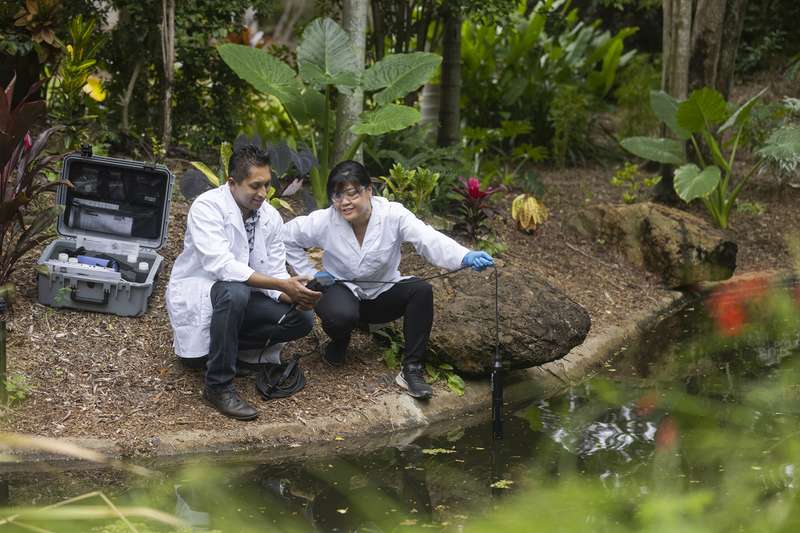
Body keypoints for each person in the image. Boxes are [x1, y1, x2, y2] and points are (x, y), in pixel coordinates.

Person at [281, 160, 494, 400]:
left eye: (352, 194)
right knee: (341, 316)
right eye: (337, 196)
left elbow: (427, 238)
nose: (344, 202)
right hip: (340, 291)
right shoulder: (324, 220)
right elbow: (286, 237)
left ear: (369, 191)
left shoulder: (393, 215)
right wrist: (310, 273)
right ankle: (340, 339)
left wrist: (465, 255)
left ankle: (411, 370)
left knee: (420, 290)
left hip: (381, 295)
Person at [166, 145, 321, 420]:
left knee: (303, 319)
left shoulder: (270, 216)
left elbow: (274, 270)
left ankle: (230, 353)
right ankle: (217, 385)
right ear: (232, 183)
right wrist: (280, 285)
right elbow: (222, 266)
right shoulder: (207, 207)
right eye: (255, 186)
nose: (263, 193)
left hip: (240, 298)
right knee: (235, 291)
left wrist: (295, 293)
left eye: (267, 185)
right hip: (205, 292)